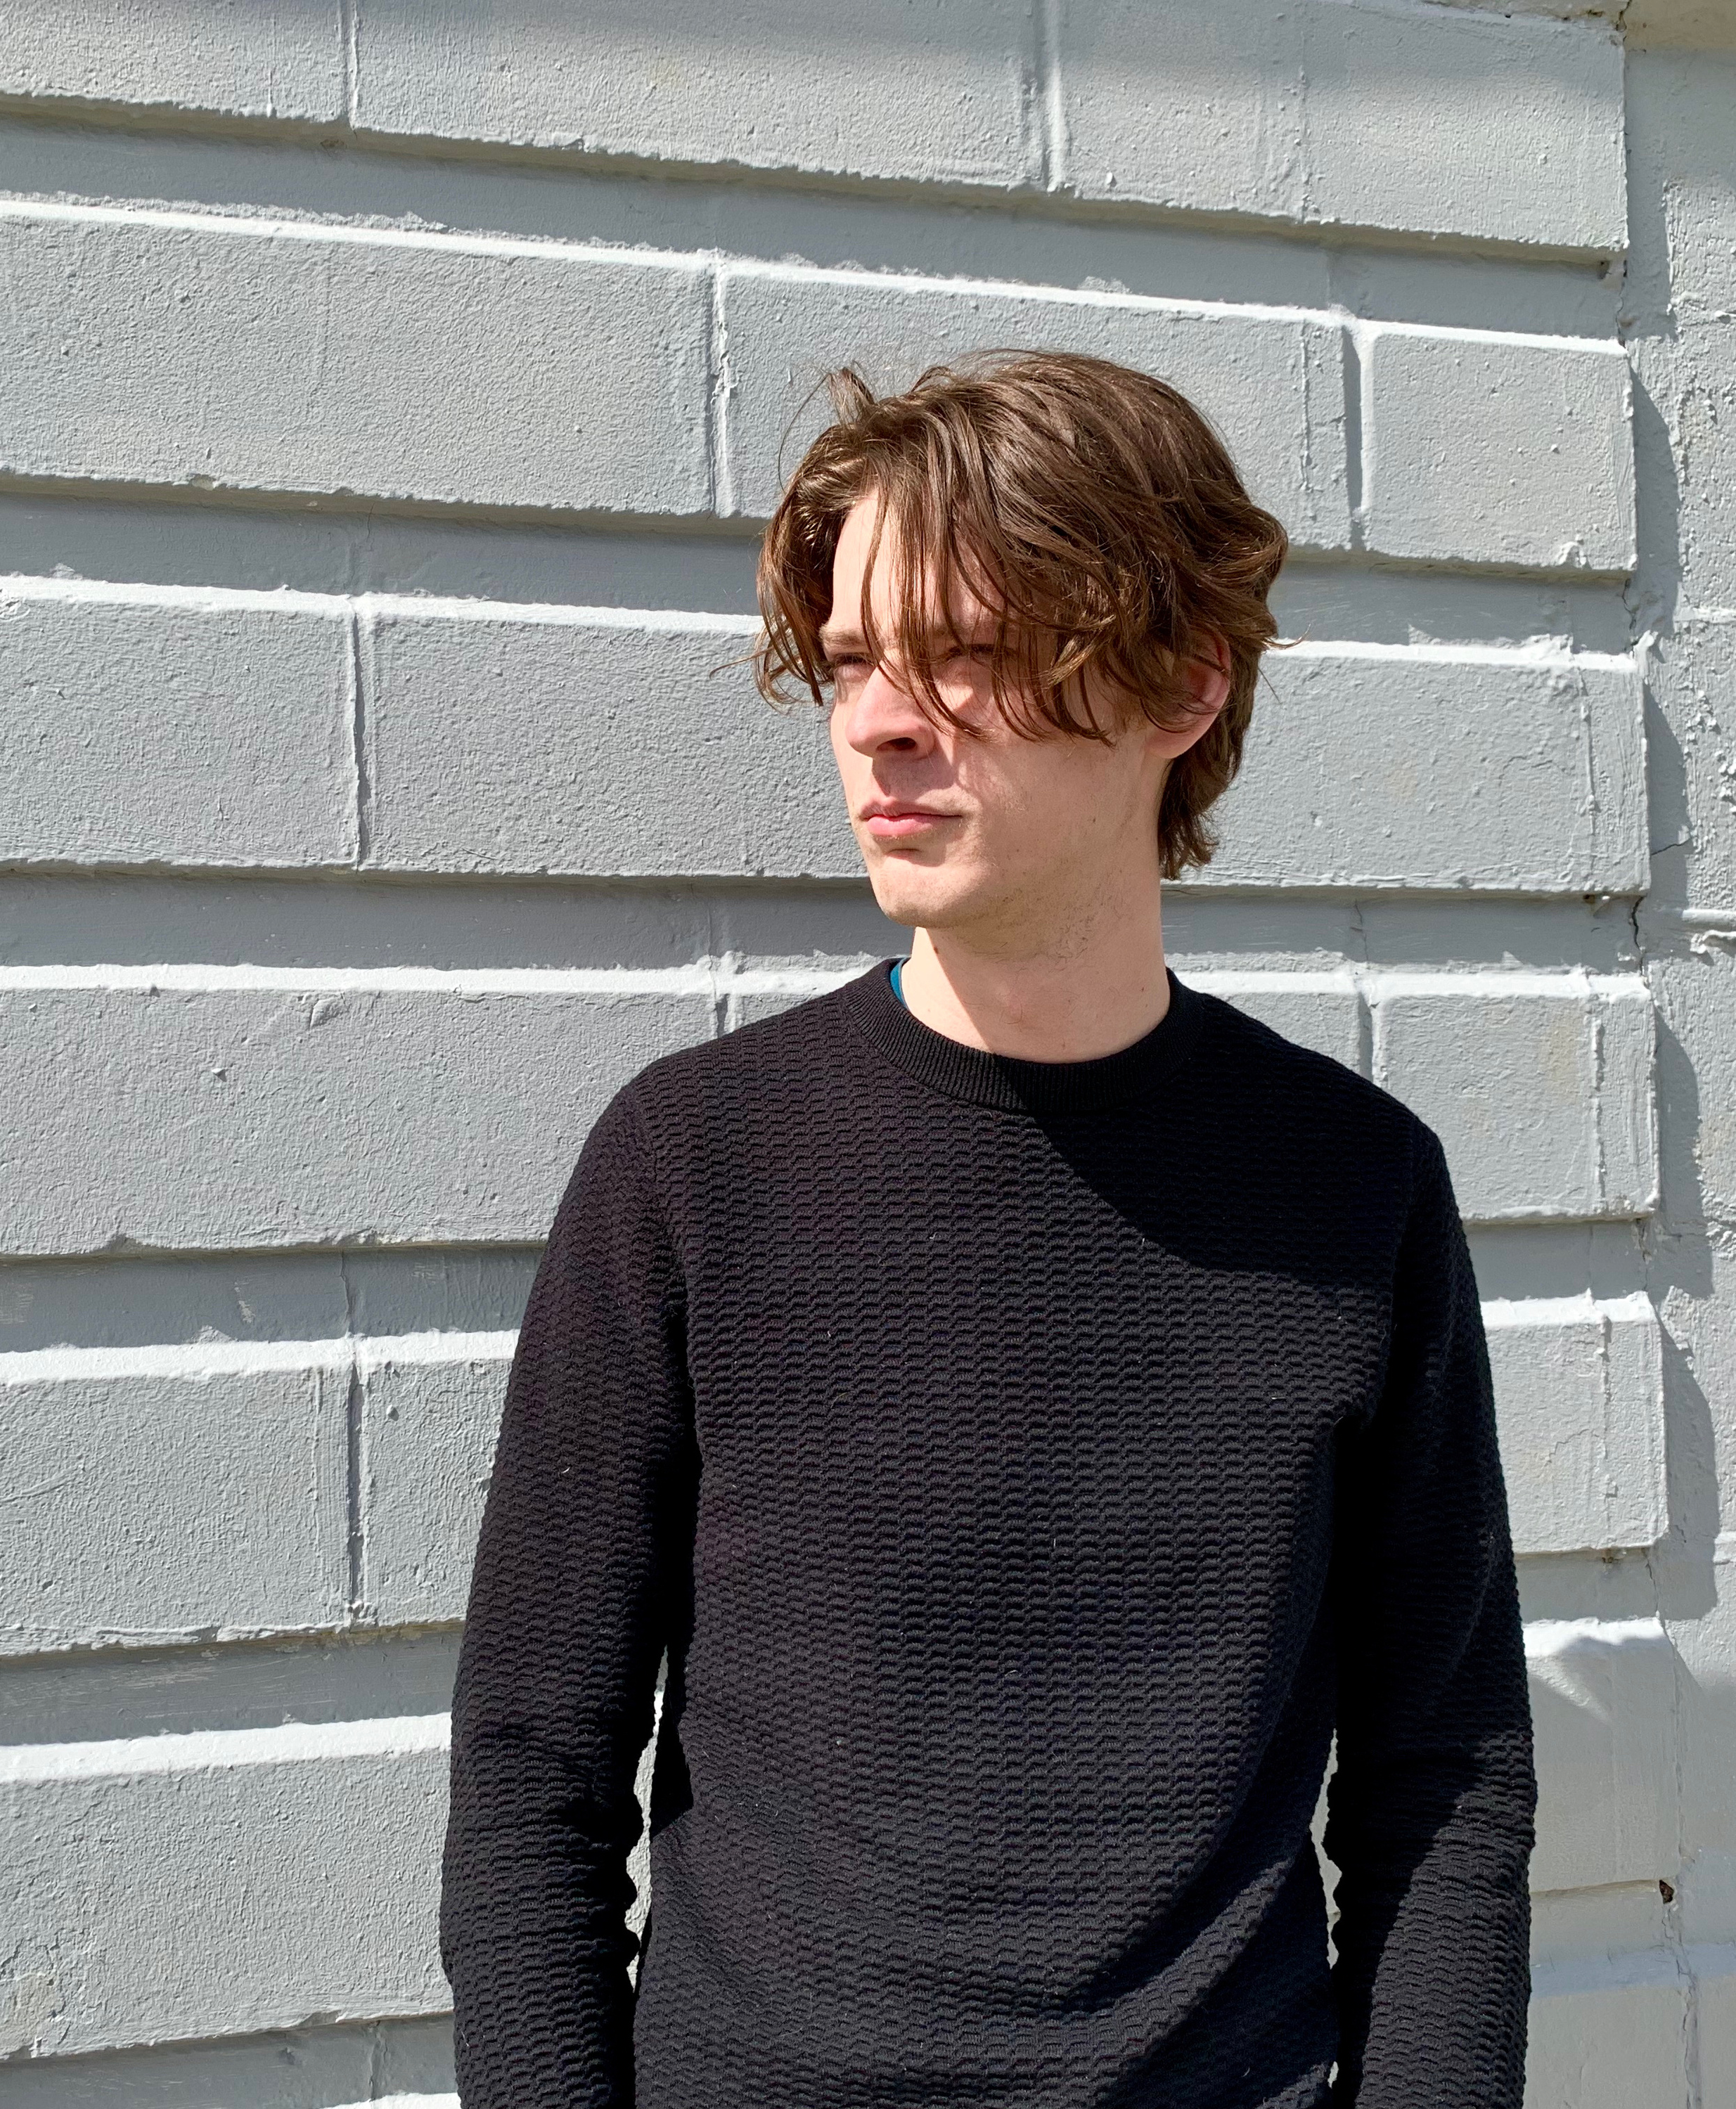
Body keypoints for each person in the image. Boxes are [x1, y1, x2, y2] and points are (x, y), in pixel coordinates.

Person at [437, 349, 1536, 2108]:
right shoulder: (691, 1168)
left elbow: (1448, 1786)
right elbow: (530, 1783)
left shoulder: (1354, 1193)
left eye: (962, 654)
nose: (879, 722)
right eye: (852, 663)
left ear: (1184, 681)